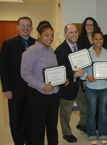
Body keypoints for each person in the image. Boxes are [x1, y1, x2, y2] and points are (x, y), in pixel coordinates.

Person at [21, 23, 62, 145]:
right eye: (46, 35)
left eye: (52, 35)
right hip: (38, 94)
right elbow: (25, 74)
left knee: (52, 123)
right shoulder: (31, 52)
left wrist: (63, 78)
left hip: (54, 94)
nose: (50, 38)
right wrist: (42, 86)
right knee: (39, 124)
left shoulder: (50, 50)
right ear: (39, 35)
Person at [0, 16, 36, 145]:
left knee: (30, 116)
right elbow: (3, 68)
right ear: (18, 27)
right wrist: (6, 89)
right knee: (16, 118)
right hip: (15, 89)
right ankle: (19, 141)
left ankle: (30, 139)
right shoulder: (8, 44)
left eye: (28, 26)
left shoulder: (36, 43)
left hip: (32, 88)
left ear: (32, 28)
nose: (25, 28)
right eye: (22, 25)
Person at [54, 24, 86, 143]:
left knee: (86, 106)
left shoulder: (81, 45)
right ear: (65, 34)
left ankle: (82, 124)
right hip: (67, 86)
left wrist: (83, 78)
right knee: (65, 113)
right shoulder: (60, 50)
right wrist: (72, 75)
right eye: (71, 32)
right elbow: (60, 69)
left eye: (75, 32)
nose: (74, 35)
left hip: (80, 84)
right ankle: (66, 133)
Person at [80, 27, 107, 145]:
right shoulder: (87, 53)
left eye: (100, 39)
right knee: (92, 112)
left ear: (103, 40)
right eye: (96, 39)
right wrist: (87, 76)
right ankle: (92, 134)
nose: (98, 41)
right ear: (92, 40)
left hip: (105, 86)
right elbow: (82, 70)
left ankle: (103, 133)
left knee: (103, 112)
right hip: (91, 87)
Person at [77, 17, 99, 130]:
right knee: (88, 102)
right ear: (84, 27)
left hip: (98, 74)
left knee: (96, 102)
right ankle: (86, 124)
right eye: (87, 24)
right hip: (87, 74)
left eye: (92, 24)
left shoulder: (98, 38)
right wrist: (84, 78)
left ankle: (94, 124)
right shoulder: (80, 40)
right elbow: (81, 61)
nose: (89, 26)